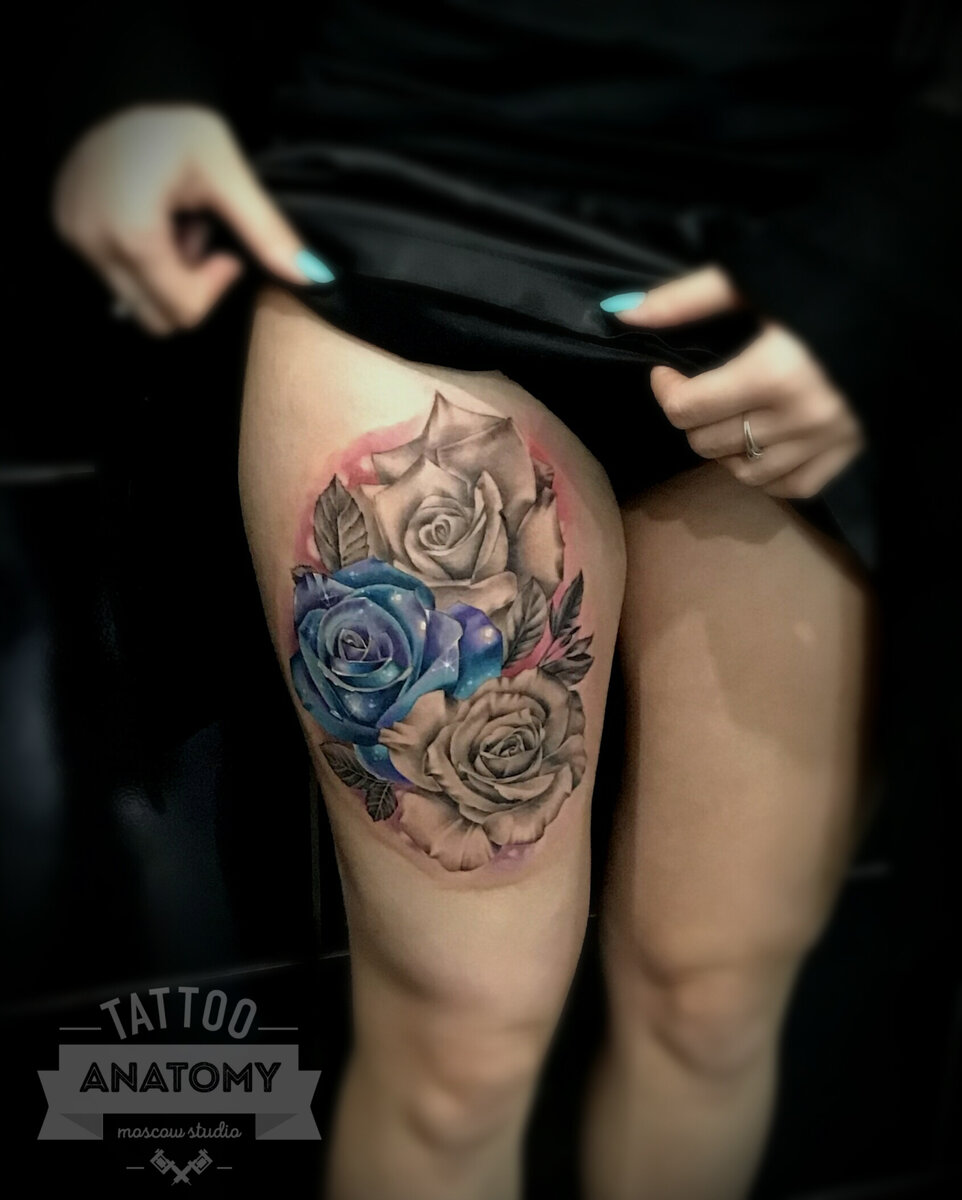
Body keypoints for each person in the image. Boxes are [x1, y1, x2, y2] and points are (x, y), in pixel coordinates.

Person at [47, 3, 960, 1198]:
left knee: (709, 1010)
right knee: (456, 1057)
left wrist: (894, 259)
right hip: (420, 225)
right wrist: (139, 68)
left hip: (795, 257)